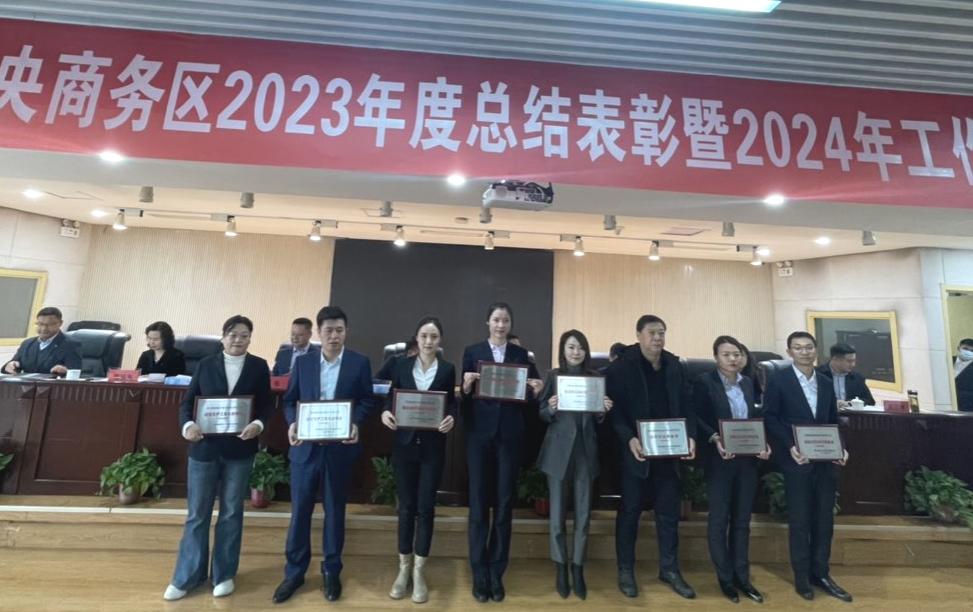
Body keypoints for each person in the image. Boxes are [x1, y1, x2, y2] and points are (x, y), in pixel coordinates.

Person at [163, 315, 271, 601]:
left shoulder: (259, 366)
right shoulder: (205, 364)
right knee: (197, 514)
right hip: (204, 448)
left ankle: (223, 574)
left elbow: (265, 406)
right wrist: (188, 426)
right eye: (233, 335)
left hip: (240, 450)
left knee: (232, 513)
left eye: (244, 335)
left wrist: (258, 425)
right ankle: (187, 576)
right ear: (223, 337)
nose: (238, 340)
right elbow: (188, 403)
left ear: (250, 338)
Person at [273, 306, 375, 604]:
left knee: (335, 512)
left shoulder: (359, 363)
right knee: (300, 513)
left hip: (339, 451)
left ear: (346, 332)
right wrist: (292, 423)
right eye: (329, 330)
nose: (334, 336)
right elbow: (290, 400)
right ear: (319, 332)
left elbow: (367, 400)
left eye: (339, 330)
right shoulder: (303, 363)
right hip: (306, 451)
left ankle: (332, 570)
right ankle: (294, 573)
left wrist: (355, 423)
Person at [607, 314, 697, 600]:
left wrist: (691, 435)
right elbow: (614, 411)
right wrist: (628, 438)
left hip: (669, 452)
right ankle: (625, 569)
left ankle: (669, 569)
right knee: (630, 512)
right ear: (638, 335)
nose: (658, 338)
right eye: (652, 333)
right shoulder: (621, 367)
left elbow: (688, 404)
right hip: (637, 453)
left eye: (662, 333)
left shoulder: (674, 365)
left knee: (668, 514)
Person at [461, 302, 542, 603]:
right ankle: (478, 572)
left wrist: (536, 389)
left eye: (505, 320)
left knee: (505, 505)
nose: (500, 325)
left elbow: (531, 397)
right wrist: (466, 387)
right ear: (488, 322)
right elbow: (464, 399)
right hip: (479, 437)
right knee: (479, 504)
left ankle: (497, 572)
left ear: (510, 324)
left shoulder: (522, 355)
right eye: (496, 319)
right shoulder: (472, 351)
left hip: (510, 437)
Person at [764, 331, 851, 603]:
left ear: (816, 350)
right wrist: (790, 445)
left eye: (809, 347)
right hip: (797, 460)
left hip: (825, 462)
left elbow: (832, 420)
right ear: (790, 352)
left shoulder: (825, 382)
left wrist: (841, 447)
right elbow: (770, 417)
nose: (805, 352)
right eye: (798, 348)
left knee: (824, 520)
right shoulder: (778, 380)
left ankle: (821, 573)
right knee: (800, 520)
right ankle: (802, 577)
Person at [380, 317, 456, 604]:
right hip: (404, 445)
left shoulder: (447, 369)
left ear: (440, 340)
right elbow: (389, 396)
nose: (428, 341)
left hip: (433, 448)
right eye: (424, 336)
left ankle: (419, 571)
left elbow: (451, 403)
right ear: (417, 338)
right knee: (406, 508)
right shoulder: (400, 366)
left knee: (425, 508)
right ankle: (403, 568)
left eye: (434, 337)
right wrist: (385, 412)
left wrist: (452, 417)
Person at [693, 335, 770, 604]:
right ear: (716, 358)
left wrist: (763, 443)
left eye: (736, 354)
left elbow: (754, 419)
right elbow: (696, 417)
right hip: (720, 460)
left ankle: (742, 577)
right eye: (726, 355)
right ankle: (725, 578)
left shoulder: (748, 383)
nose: (732, 359)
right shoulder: (704, 382)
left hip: (747, 461)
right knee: (719, 520)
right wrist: (714, 437)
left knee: (741, 521)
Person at [536, 329, 612, 600]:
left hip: (585, 452)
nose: (576, 352)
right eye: (571, 347)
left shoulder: (596, 378)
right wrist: (551, 408)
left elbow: (598, 417)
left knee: (583, 515)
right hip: (558, 452)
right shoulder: (553, 376)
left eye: (580, 347)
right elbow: (541, 413)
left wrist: (602, 411)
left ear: (586, 351)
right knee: (557, 516)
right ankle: (560, 567)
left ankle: (578, 567)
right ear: (563, 350)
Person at [2, 306, 81, 376]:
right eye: (40, 324)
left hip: (53, 386)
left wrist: (65, 371)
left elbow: (76, 374)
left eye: (49, 325)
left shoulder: (70, 345)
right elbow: (14, 364)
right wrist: (10, 365)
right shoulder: (27, 343)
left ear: (60, 323)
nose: (43, 329)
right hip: (26, 386)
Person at [817, 343, 876, 407]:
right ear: (835, 359)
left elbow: (870, 401)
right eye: (849, 361)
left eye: (854, 361)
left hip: (849, 412)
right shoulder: (818, 374)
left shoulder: (857, 378)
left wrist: (850, 403)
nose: (853, 365)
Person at [955, 338, 973, 412]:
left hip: (967, 410)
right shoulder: (948, 360)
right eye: (965, 349)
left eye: (972, 351)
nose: (968, 352)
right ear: (958, 348)